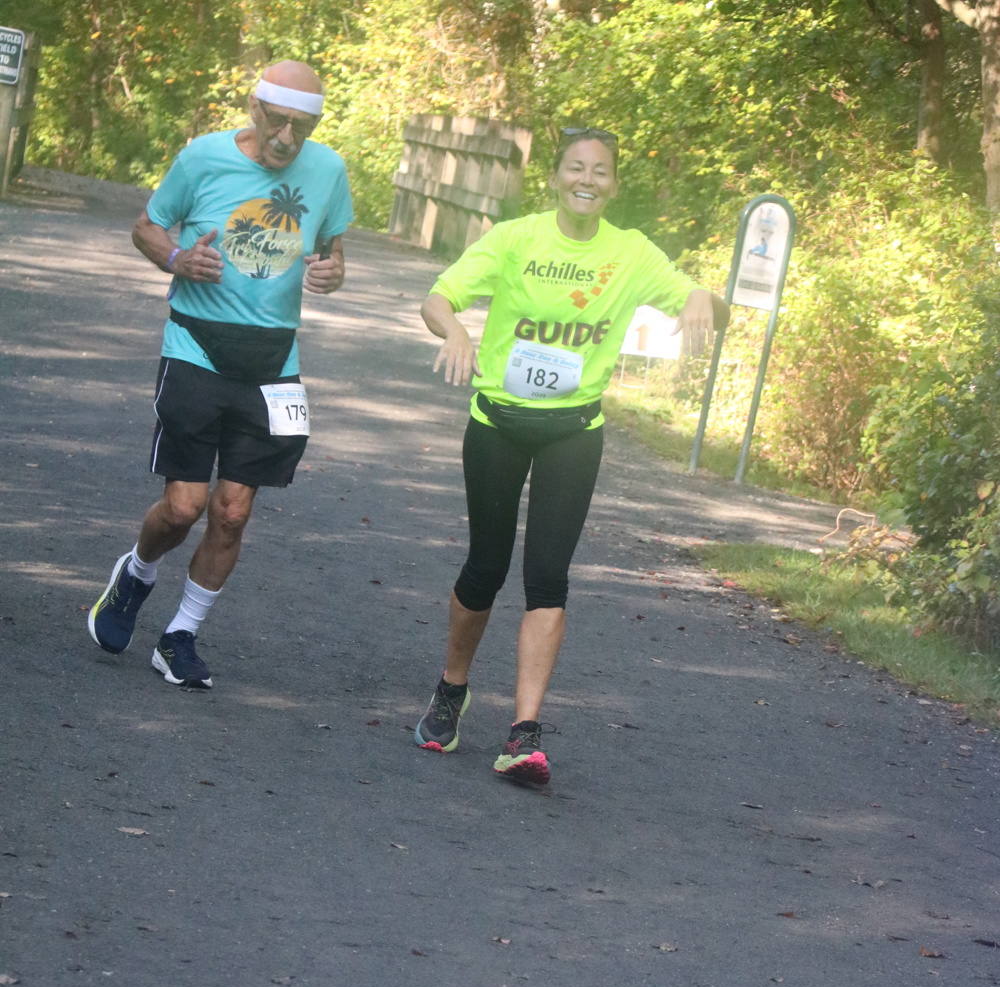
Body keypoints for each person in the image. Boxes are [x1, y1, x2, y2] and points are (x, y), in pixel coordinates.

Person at [413, 126, 728, 785]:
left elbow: (696, 302)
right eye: (576, 168)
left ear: (614, 185)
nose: (587, 179)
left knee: (548, 575)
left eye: (600, 171)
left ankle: (524, 733)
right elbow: (437, 297)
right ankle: (452, 687)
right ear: (556, 177)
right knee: (486, 567)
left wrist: (703, 296)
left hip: (572, 431)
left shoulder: (630, 252)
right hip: (498, 422)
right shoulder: (516, 238)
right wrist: (456, 330)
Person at [88, 60, 352, 688]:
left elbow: (334, 251)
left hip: (273, 362)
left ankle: (179, 635)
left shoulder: (329, 170)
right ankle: (136, 574)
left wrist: (334, 271)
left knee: (232, 513)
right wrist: (178, 258)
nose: (287, 137)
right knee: (184, 508)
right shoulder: (203, 157)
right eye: (278, 121)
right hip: (196, 346)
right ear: (254, 108)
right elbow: (146, 228)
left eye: (303, 126)